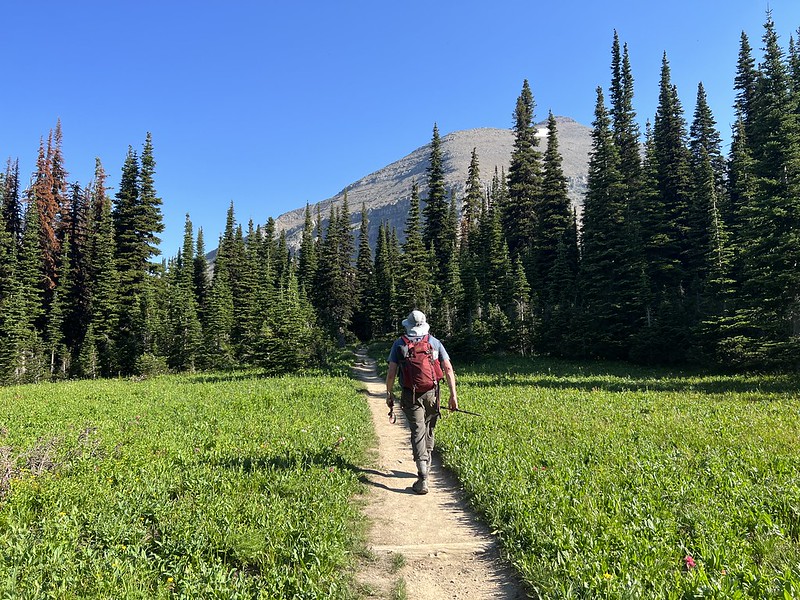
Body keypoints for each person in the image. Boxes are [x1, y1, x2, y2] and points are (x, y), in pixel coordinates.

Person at [385, 310, 458, 494]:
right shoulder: (434, 342)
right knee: (429, 428)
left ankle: (423, 476)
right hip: (433, 392)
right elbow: (448, 368)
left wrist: (389, 393)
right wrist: (453, 395)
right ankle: (426, 463)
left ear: (408, 325)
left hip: (410, 393)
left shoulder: (400, 344)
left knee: (418, 431)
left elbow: (392, 372)